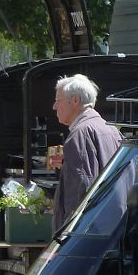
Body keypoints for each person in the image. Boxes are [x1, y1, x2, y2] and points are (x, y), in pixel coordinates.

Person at [51, 74, 122, 231]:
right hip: (112, 226)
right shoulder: (111, 129)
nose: (54, 106)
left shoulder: (80, 134)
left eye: (58, 100)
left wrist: (69, 234)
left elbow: (80, 188)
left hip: (88, 232)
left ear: (75, 100)